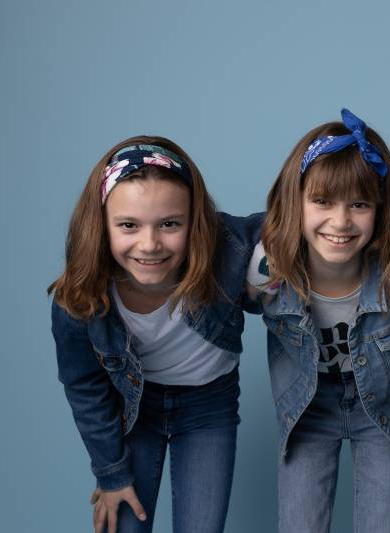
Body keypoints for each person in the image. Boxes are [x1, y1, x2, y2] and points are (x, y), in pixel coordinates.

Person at [49, 136, 262, 533]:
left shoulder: (226, 247)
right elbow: (84, 387)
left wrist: (268, 266)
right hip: (133, 413)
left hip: (209, 408)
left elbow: (288, 224)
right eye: (128, 225)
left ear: (195, 222)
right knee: (126, 522)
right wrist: (111, 473)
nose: (149, 245)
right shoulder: (80, 298)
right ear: (101, 225)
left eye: (169, 224)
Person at [246, 109, 390, 533]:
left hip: (381, 405)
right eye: (322, 202)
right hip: (308, 407)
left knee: (388, 523)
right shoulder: (268, 266)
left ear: (380, 209)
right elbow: (211, 293)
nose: (340, 222)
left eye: (359, 204)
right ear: (296, 201)